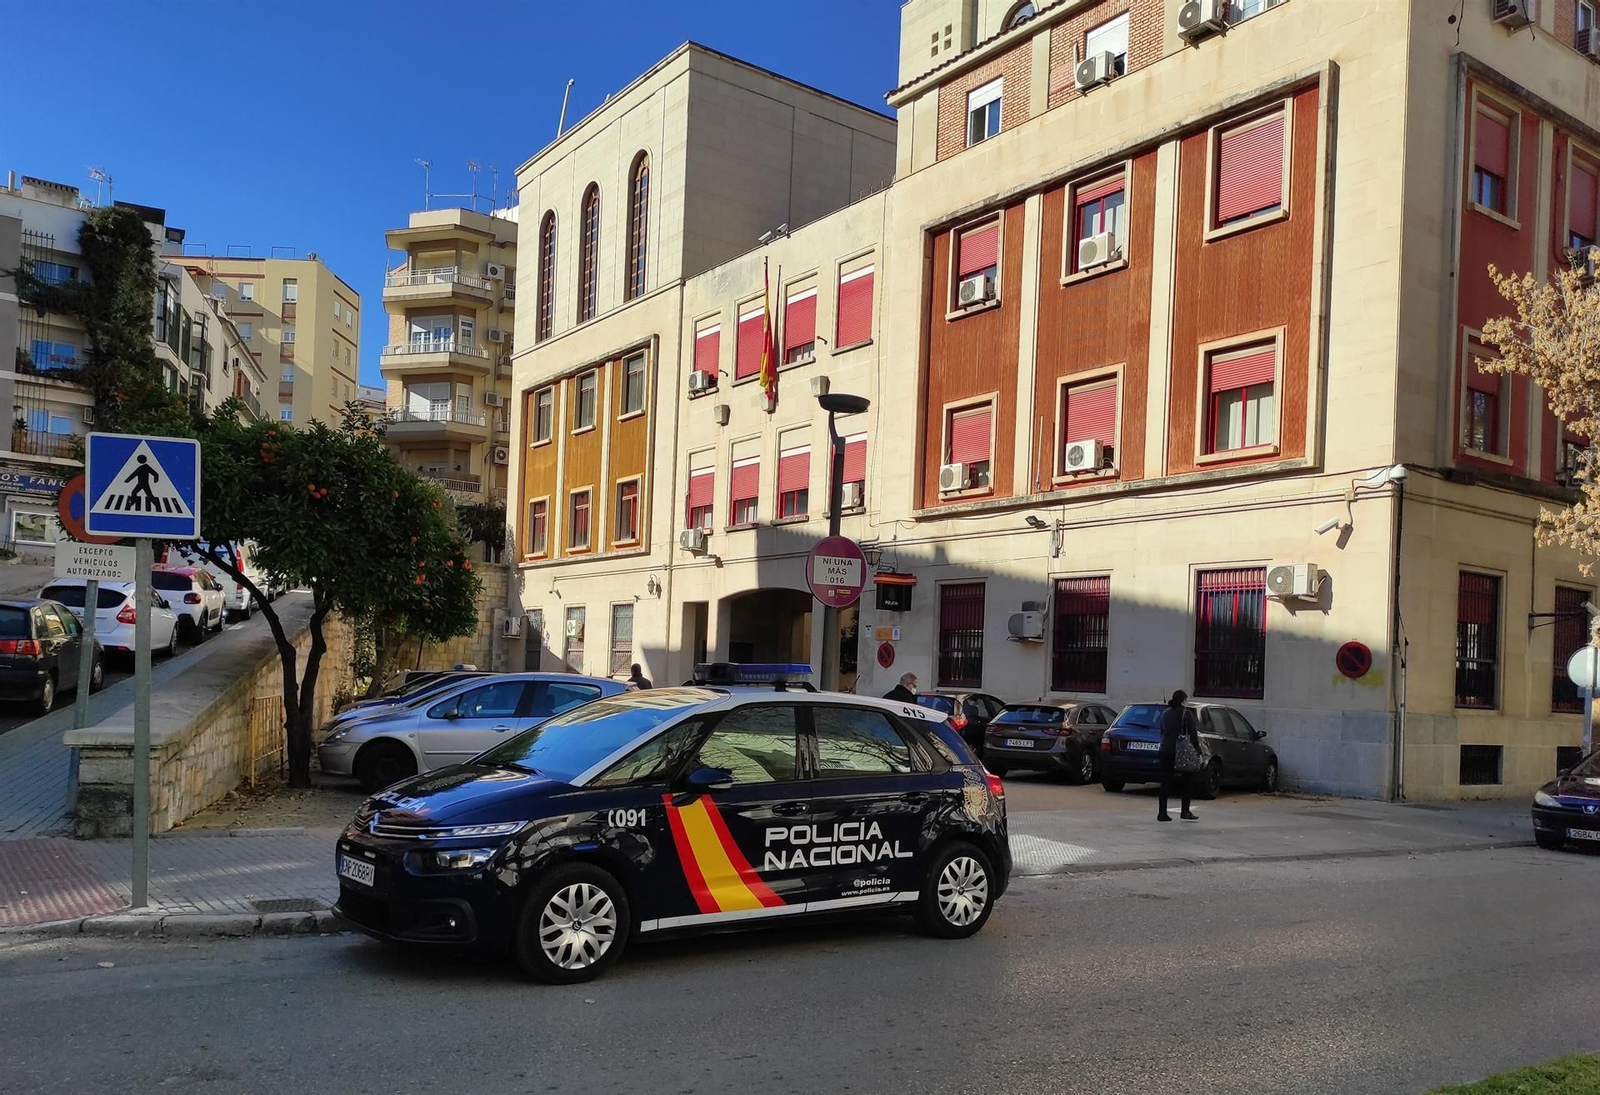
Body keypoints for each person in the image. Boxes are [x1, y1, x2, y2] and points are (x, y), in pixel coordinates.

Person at [1158, 690, 1199, 823]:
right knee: (1188, 779)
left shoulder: (1165, 713)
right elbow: (1193, 733)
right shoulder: (1186, 714)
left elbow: (1162, 730)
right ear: (1183, 700)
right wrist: (1197, 750)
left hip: (1165, 749)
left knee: (1165, 781)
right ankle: (1185, 811)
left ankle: (1162, 812)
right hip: (1180, 751)